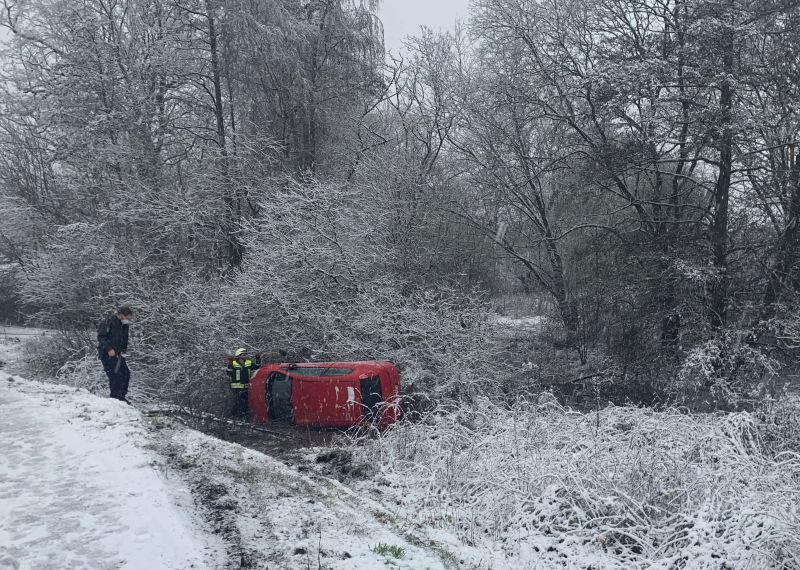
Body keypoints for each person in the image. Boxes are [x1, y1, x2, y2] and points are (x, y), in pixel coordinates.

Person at [97, 306, 134, 402]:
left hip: (119, 355)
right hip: (107, 355)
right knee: (115, 376)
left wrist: (124, 350)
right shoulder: (108, 322)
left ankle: (122, 397)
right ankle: (115, 399)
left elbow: (124, 339)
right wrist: (109, 349)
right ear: (121, 315)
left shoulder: (124, 325)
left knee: (126, 374)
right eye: (128, 317)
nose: (129, 320)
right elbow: (101, 337)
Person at [227, 348, 260, 417]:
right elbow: (229, 373)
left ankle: (244, 417)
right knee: (237, 403)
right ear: (239, 355)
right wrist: (229, 364)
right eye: (243, 354)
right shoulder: (233, 363)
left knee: (245, 404)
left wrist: (258, 358)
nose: (245, 356)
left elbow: (257, 366)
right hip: (236, 388)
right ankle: (234, 417)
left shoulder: (248, 363)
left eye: (245, 354)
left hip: (246, 388)